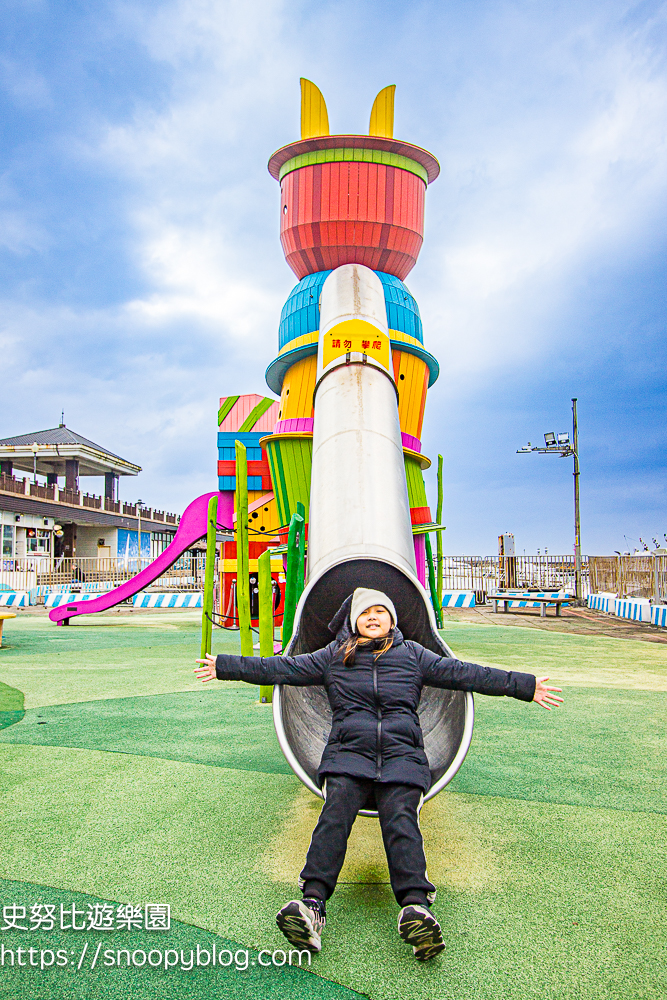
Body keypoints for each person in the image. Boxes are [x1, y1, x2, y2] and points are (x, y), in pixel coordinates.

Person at [195, 587, 563, 961]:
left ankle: (416, 909)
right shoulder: (333, 657)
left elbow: (465, 673)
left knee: (401, 819)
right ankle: (312, 906)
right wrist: (225, 666)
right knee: (334, 815)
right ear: (353, 620)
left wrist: (525, 685)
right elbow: (281, 668)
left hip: (402, 755)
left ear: (392, 620)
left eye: (380, 612)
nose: (373, 618)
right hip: (348, 754)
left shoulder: (414, 656)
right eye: (365, 613)